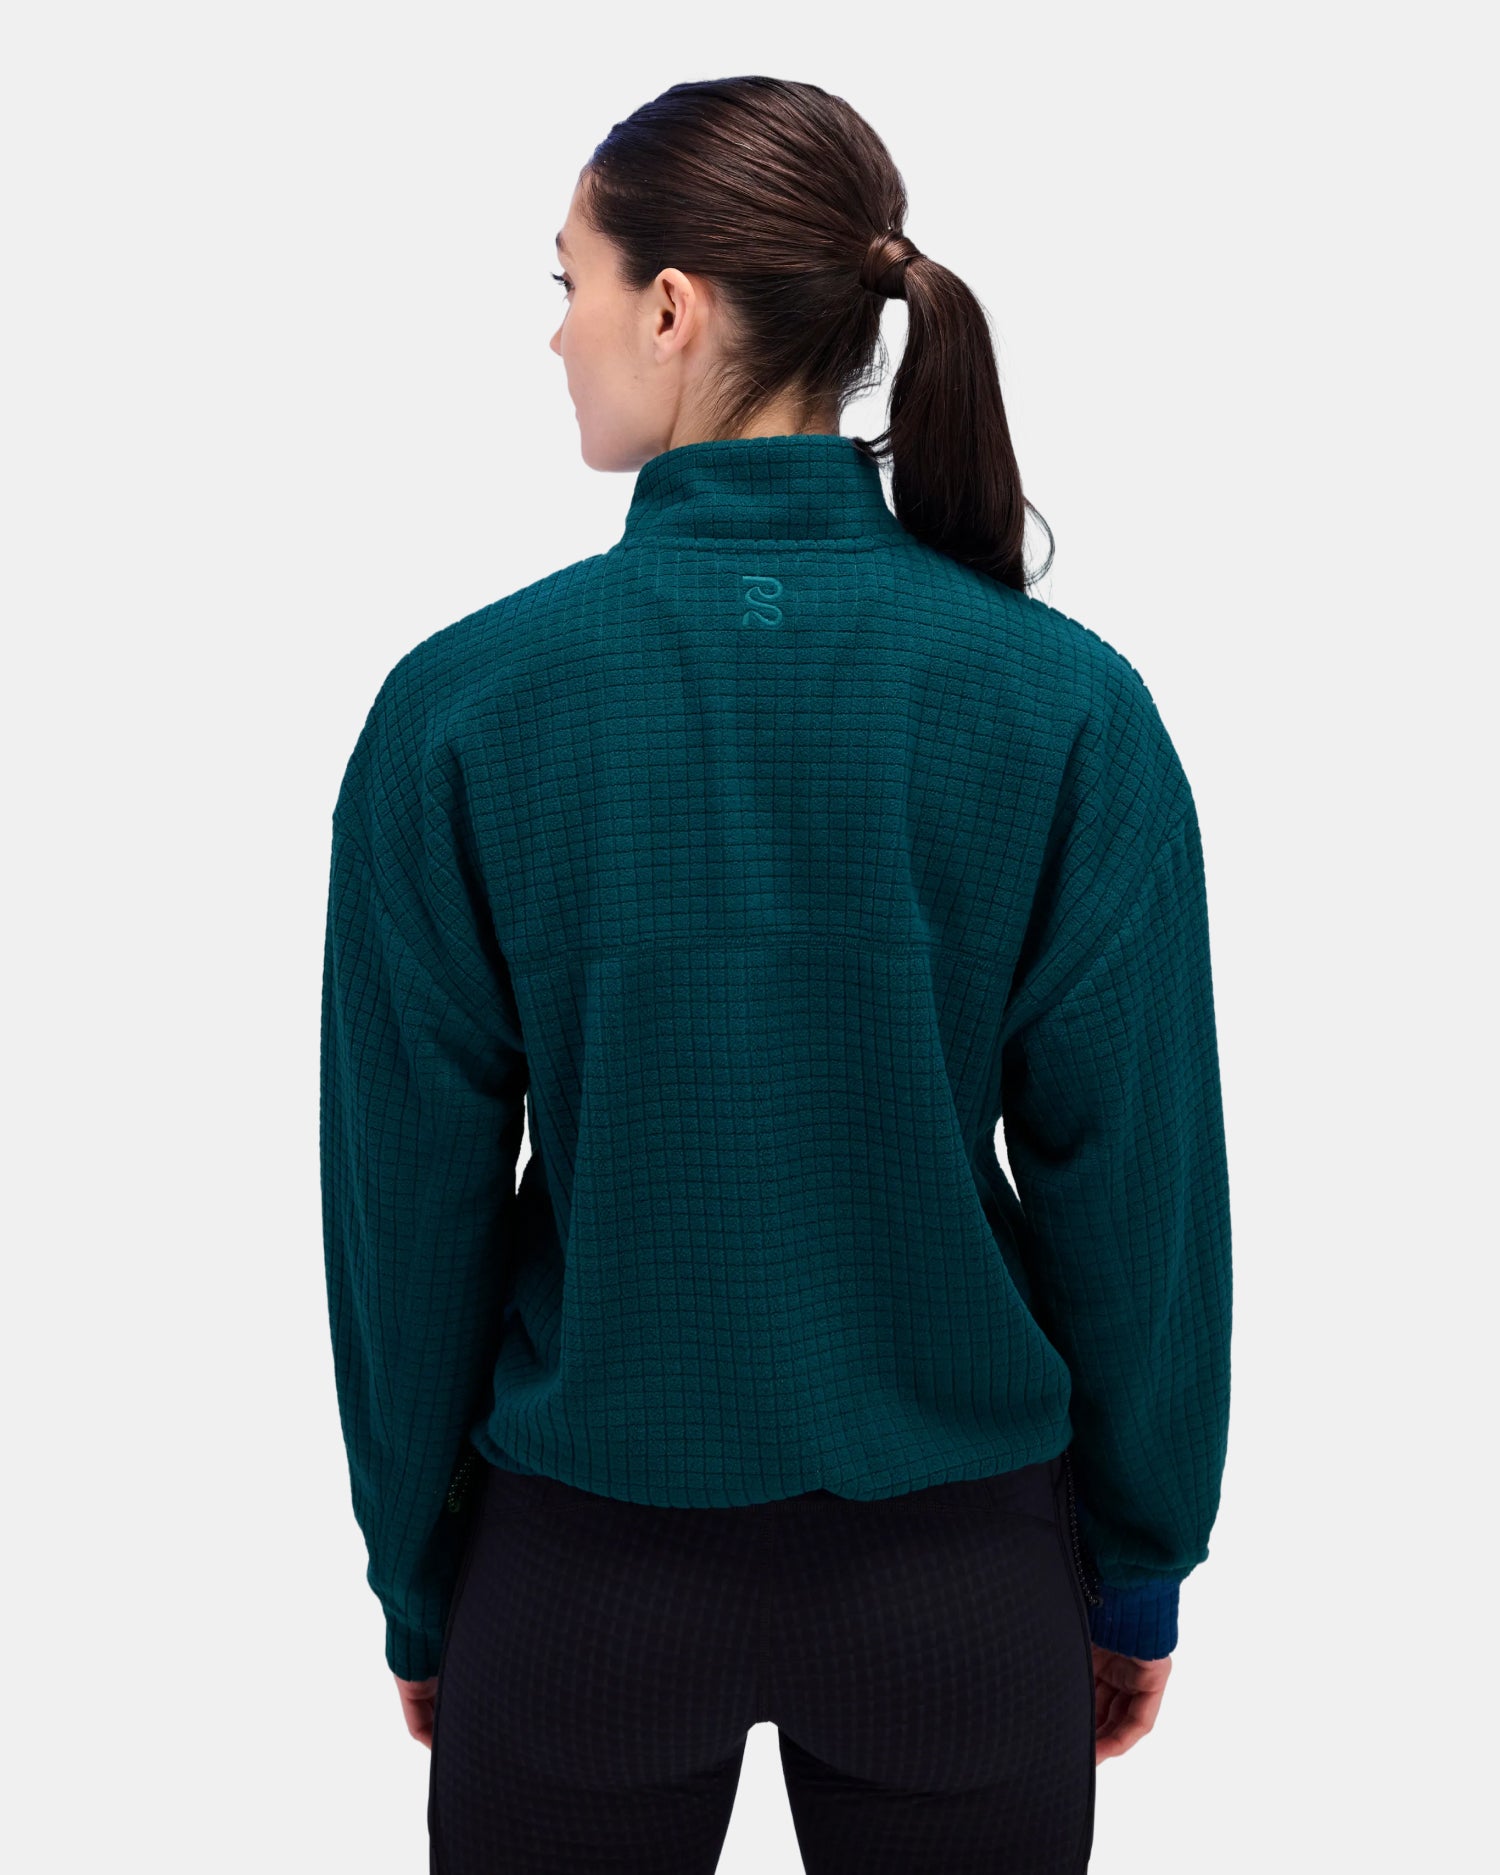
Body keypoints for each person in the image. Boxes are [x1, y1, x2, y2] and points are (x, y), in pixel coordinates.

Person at [320, 74, 1232, 1875]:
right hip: (961, 1594)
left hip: (577, 1590)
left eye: (570, 281)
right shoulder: (1066, 707)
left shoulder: (462, 711)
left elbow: (405, 1215)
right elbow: (1139, 1189)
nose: (557, 333)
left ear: (671, 306)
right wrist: (1140, 1563)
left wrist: (423, 1586)